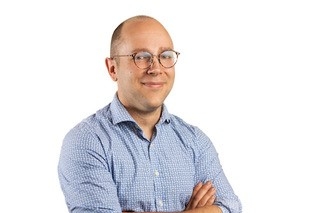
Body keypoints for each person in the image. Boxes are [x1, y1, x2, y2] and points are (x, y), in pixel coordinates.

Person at [58, 15, 242, 213]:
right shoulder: (87, 141)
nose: (156, 68)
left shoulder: (195, 141)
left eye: (165, 56)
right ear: (113, 69)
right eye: (141, 57)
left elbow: (230, 207)